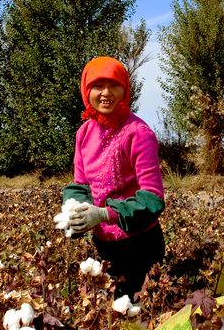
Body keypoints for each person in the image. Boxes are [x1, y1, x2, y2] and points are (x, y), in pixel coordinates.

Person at [61, 56, 165, 298]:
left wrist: (103, 214)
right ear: (86, 91)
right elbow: (81, 185)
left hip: (140, 244)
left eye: (114, 85)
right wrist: (74, 214)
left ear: (125, 90)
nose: (106, 93)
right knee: (111, 318)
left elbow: (153, 198)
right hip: (104, 245)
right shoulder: (84, 133)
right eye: (97, 86)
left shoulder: (138, 134)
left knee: (140, 316)